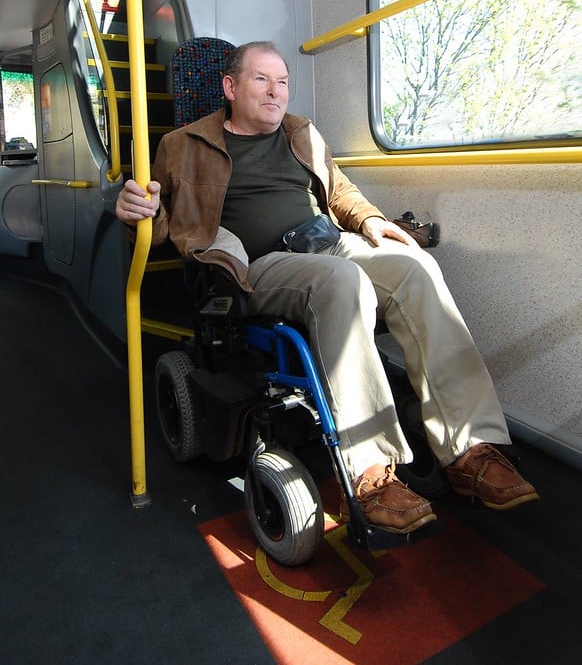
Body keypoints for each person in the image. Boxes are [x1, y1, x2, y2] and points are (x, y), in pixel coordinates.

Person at [116, 40, 539, 534]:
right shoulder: (182, 145)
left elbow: (339, 191)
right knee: (342, 281)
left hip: (326, 243)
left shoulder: (302, 133)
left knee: (415, 268)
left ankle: (468, 450)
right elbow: (162, 224)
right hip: (257, 264)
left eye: (283, 81)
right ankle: (372, 471)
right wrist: (135, 215)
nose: (276, 93)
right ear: (230, 88)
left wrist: (371, 220)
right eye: (261, 80)